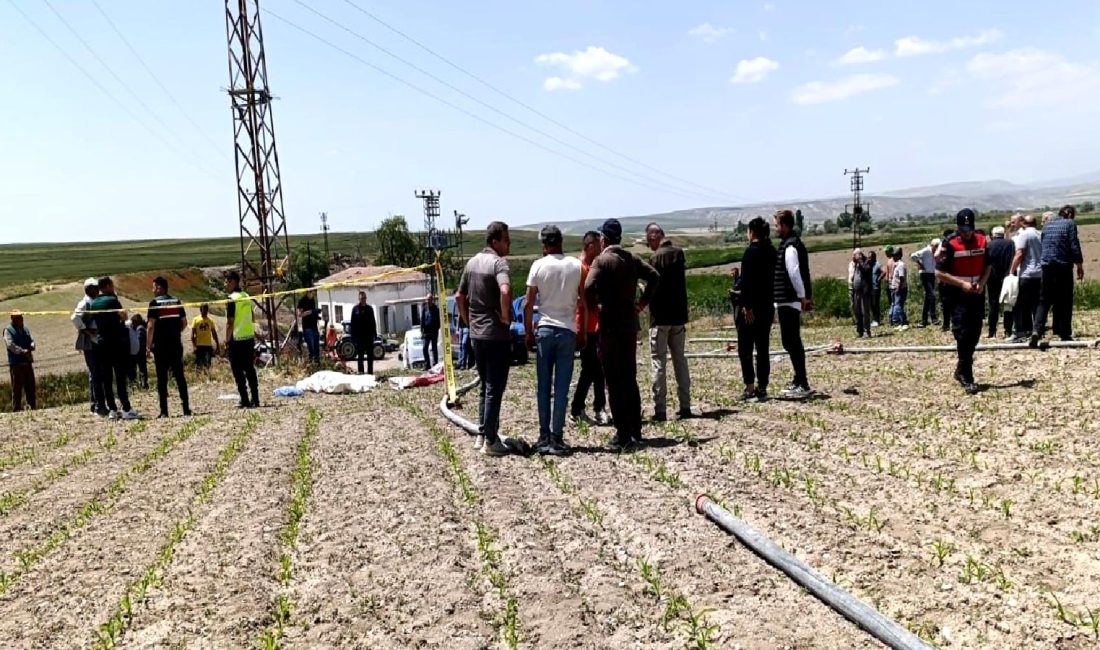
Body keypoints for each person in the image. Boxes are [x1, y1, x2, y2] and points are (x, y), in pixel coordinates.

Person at [584, 218, 660, 451]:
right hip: (629, 325)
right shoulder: (632, 259)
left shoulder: (602, 260)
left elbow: (588, 286)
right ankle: (635, 429)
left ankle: (622, 434)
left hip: (609, 325)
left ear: (604, 239)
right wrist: (642, 303)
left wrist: (594, 307)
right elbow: (654, 276)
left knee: (613, 380)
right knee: (629, 377)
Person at [456, 222, 514, 457]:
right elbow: (505, 290)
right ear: (495, 241)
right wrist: (505, 316)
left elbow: (459, 296)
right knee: (494, 388)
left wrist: (468, 321)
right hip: (495, 335)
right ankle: (491, 440)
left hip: (476, 335)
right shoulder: (498, 263)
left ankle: (482, 434)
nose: (509, 244)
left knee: (484, 386)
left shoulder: (471, 263)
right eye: (506, 239)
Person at [525, 225, 584, 455]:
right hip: (567, 329)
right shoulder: (576, 265)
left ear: (544, 244)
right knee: (561, 387)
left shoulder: (538, 266)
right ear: (561, 241)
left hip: (545, 328)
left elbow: (529, 302)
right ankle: (557, 436)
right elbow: (583, 301)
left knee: (543, 386)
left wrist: (528, 332)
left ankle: (543, 436)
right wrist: (582, 331)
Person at [936, 209, 991, 395]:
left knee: (975, 333)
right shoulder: (950, 244)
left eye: (969, 229)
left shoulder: (982, 240)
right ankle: (967, 376)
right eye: (963, 230)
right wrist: (961, 284)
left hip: (976, 293)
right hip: (957, 295)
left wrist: (982, 283)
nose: (967, 233)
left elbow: (988, 265)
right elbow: (939, 273)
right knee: (963, 334)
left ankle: (960, 369)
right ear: (958, 227)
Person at [645, 222, 692, 421]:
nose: (649, 245)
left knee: (659, 362)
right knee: (680, 360)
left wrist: (643, 296)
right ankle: (685, 405)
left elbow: (654, 286)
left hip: (660, 318)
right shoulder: (678, 254)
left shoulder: (655, 258)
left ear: (654, 237)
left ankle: (660, 409)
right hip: (678, 316)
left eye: (649, 241)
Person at [772, 209, 814, 399]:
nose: (775, 228)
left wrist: (802, 296)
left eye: (777, 225)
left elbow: (794, 273)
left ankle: (802, 382)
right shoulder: (788, 244)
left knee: (792, 341)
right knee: (789, 341)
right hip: (787, 299)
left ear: (785, 225)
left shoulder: (790, 247)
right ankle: (798, 379)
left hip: (790, 299)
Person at [735, 217, 777, 401]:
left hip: (751, 308)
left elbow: (747, 281)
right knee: (762, 347)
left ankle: (750, 386)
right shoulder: (772, 251)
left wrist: (746, 305)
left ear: (752, 232)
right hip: (768, 305)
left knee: (745, 347)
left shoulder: (751, 252)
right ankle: (763, 386)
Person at [570, 231, 609, 424]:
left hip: (594, 324)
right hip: (583, 325)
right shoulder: (579, 268)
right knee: (592, 368)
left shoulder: (592, 266)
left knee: (593, 368)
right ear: (591, 246)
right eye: (599, 245)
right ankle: (584, 408)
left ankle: (587, 408)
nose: (602, 249)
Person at [1031, 205, 1085, 346]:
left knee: (1044, 299)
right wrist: (1079, 264)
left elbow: (1044, 243)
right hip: (1063, 265)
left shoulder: (1047, 225)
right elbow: (1074, 245)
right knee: (1065, 299)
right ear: (1069, 214)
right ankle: (1064, 332)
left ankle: (1037, 329)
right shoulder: (1069, 223)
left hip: (1046, 265)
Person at [89, 277, 141, 419]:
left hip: (101, 343)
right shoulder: (112, 300)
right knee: (120, 377)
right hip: (116, 342)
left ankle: (112, 409)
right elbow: (124, 317)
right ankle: (126, 408)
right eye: (112, 285)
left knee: (107, 378)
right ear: (107, 286)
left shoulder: (94, 303)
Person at [147, 276, 191, 418]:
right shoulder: (176, 301)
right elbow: (184, 323)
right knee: (179, 377)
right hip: (175, 344)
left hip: (161, 346)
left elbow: (150, 326)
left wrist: (148, 346)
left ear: (160, 288)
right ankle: (186, 409)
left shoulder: (154, 303)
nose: (153, 290)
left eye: (154, 287)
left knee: (162, 379)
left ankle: (164, 411)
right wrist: (175, 332)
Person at [225, 271, 259, 409]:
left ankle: (244, 399)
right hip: (248, 337)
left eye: (227, 282)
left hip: (237, 339)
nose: (225, 285)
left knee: (238, 371)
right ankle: (255, 398)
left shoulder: (231, 299)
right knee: (250, 369)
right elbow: (252, 317)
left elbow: (230, 322)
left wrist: (227, 341)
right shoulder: (246, 296)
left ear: (233, 282)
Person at [72, 278, 103, 413]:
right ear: (88, 289)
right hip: (90, 342)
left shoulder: (93, 302)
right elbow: (74, 318)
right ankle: (95, 403)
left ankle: (97, 401)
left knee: (98, 372)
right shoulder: (85, 303)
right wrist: (86, 330)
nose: (97, 290)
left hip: (97, 340)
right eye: (95, 288)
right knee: (94, 372)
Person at [1010, 214, 1042, 342]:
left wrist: (1011, 271)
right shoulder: (1040, 234)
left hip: (1026, 273)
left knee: (1021, 303)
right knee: (1037, 304)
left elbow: (1019, 254)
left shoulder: (1024, 235)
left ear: (1024, 223)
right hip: (1040, 273)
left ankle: (1022, 331)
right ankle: (1037, 329)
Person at [986, 227, 1016, 339]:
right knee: (1008, 304)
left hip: (992, 277)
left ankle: (992, 331)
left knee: (993, 304)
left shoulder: (989, 245)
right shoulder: (1010, 244)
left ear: (993, 235)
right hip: (1007, 276)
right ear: (1003, 234)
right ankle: (1008, 330)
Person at [4, 311, 36, 412]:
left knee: (30, 388)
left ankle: (32, 408)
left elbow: (31, 340)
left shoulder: (25, 329)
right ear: (13, 319)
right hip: (16, 365)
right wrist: (22, 351)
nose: (21, 319)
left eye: (21, 317)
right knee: (17, 390)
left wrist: (32, 345)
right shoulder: (8, 331)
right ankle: (16, 411)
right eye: (18, 317)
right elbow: (10, 345)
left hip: (27, 363)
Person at [910, 239, 939, 327]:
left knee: (928, 297)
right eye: (936, 247)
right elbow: (913, 256)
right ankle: (933, 318)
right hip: (925, 274)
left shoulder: (936, 252)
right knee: (932, 295)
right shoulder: (925, 251)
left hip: (932, 274)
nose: (937, 249)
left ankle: (924, 320)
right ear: (932, 245)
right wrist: (920, 264)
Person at [350, 291, 377, 375]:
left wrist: (375, 334)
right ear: (359, 299)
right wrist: (353, 337)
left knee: (370, 356)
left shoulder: (370, 309)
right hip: (359, 337)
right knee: (360, 356)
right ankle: (361, 372)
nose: (363, 300)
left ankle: (370, 373)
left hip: (369, 336)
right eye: (362, 298)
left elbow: (373, 322)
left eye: (364, 298)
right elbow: (352, 323)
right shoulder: (355, 309)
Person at [849, 249, 873, 338]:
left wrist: (860, 261)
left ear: (859, 255)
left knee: (865, 311)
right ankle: (860, 331)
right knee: (857, 311)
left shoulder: (866, 262)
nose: (853, 257)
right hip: (857, 291)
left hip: (864, 291)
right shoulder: (855, 264)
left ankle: (867, 330)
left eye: (854, 255)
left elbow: (866, 270)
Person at [191, 304, 219, 369]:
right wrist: (194, 346)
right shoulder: (195, 319)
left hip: (208, 346)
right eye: (204, 310)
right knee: (199, 365)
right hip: (199, 345)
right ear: (201, 310)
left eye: (207, 310)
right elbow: (192, 334)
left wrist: (217, 345)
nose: (206, 311)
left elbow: (214, 334)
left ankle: (207, 375)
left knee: (208, 365)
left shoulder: (210, 321)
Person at [297, 290, 320, 363]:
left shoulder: (312, 300)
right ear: (308, 292)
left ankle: (317, 362)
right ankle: (311, 362)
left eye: (314, 294)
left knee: (316, 347)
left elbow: (313, 311)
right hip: (307, 327)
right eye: (312, 294)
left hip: (314, 326)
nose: (313, 295)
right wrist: (311, 312)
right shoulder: (302, 301)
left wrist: (316, 313)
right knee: (311, 347)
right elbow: (300, 314)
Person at [128, 314, 149, 389]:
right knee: (142, 369)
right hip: (140, 352)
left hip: (138, 352)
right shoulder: (141, 327)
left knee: (135, 370)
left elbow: (138, 340)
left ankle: (136, 385)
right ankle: (143, 385)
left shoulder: (140, 329)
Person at [890, 247, 909, 329]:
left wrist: (898, 288)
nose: (893, 257)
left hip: (900, 288)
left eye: (895, 255)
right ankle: (902, 322)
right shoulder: (897, 264)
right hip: (895, 287)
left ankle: (903, 322)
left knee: (898, 306)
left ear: (899, 256)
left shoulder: (901, 265)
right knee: (898, 305)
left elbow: (901, 278)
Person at [420, 294, 441, 367]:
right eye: (427, 299)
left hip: (434, 331)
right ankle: (427, 364)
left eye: (429, 299)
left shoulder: (436, 308)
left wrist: (437, 328)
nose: (428, 301)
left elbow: (439, 320)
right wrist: (421, 330)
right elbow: (422, 320)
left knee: (434, 348)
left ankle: (435, 363)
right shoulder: (424, 308)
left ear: (432, 300)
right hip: (426, 331)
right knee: (424, 348)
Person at [881, 245, 896, 323]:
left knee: (893, 302)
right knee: (893, 302)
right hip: (890, 283)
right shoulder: (891, 260)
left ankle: (893, 318)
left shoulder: (892, 260)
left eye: (886, 252)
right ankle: (893, 318)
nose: (885, 253)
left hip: (892, 283)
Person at [868, 251, 882, 327]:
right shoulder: (869, 265)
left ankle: (877, 320)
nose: (869, 259)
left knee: (875, 304)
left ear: (874, 257)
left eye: (870, 257)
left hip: (876, 288)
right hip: (870, 288)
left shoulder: (877, 264)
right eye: (868, 257)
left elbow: (884, 271)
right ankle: (873, 319)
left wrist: (879, 279)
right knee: (871, 305)